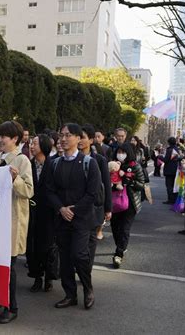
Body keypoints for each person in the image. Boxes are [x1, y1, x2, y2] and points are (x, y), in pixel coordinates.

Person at [46, 123, 100, 310]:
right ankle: (70, 294)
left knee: (79, 255)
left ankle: (88, 288)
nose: (64, 138)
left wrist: (74, 210)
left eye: (68, 135)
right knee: (65, 258)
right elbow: (49, 191)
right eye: (62, 135)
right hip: (61, 218)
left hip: (82, 219)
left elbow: (92, 193)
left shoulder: (89, 163)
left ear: (78, 138)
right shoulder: (55, 163)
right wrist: (61, 208)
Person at [0, 121, 34, 324]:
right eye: (0, 136)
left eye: (4, 136)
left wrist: (15, 179)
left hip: (12, 219)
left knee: (8, 266)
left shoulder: (22, 160)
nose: (0, 140)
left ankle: (11, 306)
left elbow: (28, 191)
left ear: (14, 138)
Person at [26, 134, 58, 293]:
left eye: (35, 144)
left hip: (49, 212)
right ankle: (37, 277)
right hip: (31, 211)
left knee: (48, 246)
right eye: (31, 144)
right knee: (33, 246)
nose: (32, 146)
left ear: (44, 146)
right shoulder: (28, 165)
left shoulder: (53, 165)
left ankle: (49, 277)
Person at [110, 143, 145, 268]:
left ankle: (119, 254)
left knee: (124, 228)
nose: (120, 154)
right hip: (115, 202)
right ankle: (121, 245)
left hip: (130, 202)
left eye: (123, 152)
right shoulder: (112, 165)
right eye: (118, 152)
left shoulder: (135, 166)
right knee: (115, 227)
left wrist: (128, 180)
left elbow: (141, 184)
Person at [80, 124, 112, 247]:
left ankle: (86, 265)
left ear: (91, 140)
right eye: (78, 137)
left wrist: (108, 208)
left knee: (90, 241)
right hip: (76, 205)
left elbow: (106, 184)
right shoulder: (69, 159)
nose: (80, 140)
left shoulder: (99, 160)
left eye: (83, 137)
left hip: (94, 206)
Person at [163, 137, 179, 204]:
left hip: (169, 169)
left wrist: (160, 157)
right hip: (175, 169)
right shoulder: (177, 149)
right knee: (174, 185)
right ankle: (174, 199)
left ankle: (170, 200)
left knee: (169, 185)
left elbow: (166, 160)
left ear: (169, 142)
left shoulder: (169, 150)